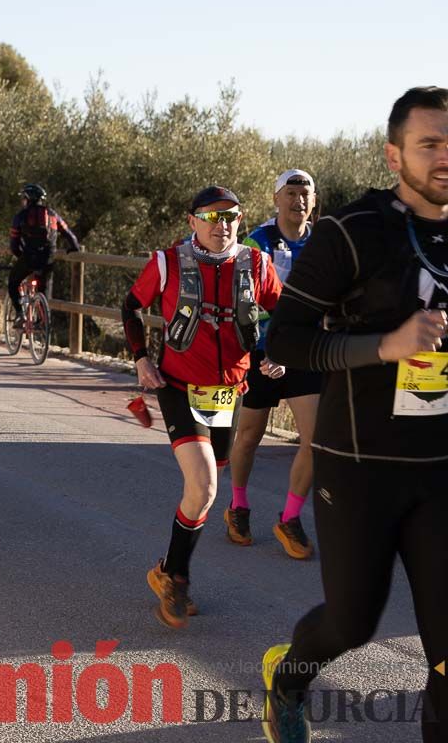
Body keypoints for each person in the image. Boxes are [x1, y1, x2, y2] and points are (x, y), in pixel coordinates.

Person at [260, 87, 448, 743]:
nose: (445, 157)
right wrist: (385, 348)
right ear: (395, 155)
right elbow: (286, 339)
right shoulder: (353, 230)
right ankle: (289, 679)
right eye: (430, 144)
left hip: (442, 470)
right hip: (362, 463)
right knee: (353, 622)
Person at [122, 186, 282, 629]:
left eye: (230, 216)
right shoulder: (168, 263)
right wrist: (141, 359)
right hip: (178, 387)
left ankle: (169, 570)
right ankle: (177, 579)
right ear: (191, 221)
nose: (222, 225)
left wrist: (274, 353)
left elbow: (284, 311)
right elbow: (131, 307)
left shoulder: (256, 265)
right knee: (206, 484)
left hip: (230, 391)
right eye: (211, 218)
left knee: (204, 490)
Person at [226, 169, 322, 559]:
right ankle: (238, 505)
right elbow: (243, 306)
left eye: (305, 193)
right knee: (249, 435)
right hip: (262, 352)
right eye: (291, 192)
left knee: (316, 440)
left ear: (314, 202)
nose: (298, 199)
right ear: (276, 198)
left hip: (306, 353)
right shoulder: (258, 241)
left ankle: (291, 517)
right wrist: (264, 353)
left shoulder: (323, 244)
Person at [7, 183, 80, 323]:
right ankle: (43, 320)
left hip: (29, 258)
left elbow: (14, 244)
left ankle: (20, 314)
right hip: (48, 259)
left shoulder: (21, 216)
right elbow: (70, 235)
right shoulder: (53, 215)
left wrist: (19, 256)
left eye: (23, 198)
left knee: (12, 283)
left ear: (28, 199)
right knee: (44, 288)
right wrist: (74, 248)